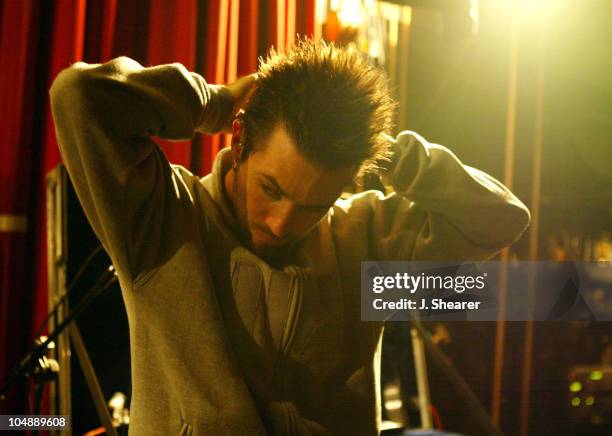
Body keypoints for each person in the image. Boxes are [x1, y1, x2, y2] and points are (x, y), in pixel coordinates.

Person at [50, 39, 530, 435]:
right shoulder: (165, 220)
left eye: (313, 206)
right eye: (271, 189)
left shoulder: (367, 241)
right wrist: (212, 103)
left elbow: (501, 218)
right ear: (238, 141)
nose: (282, 223)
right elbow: (79, 96)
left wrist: (401, 160)